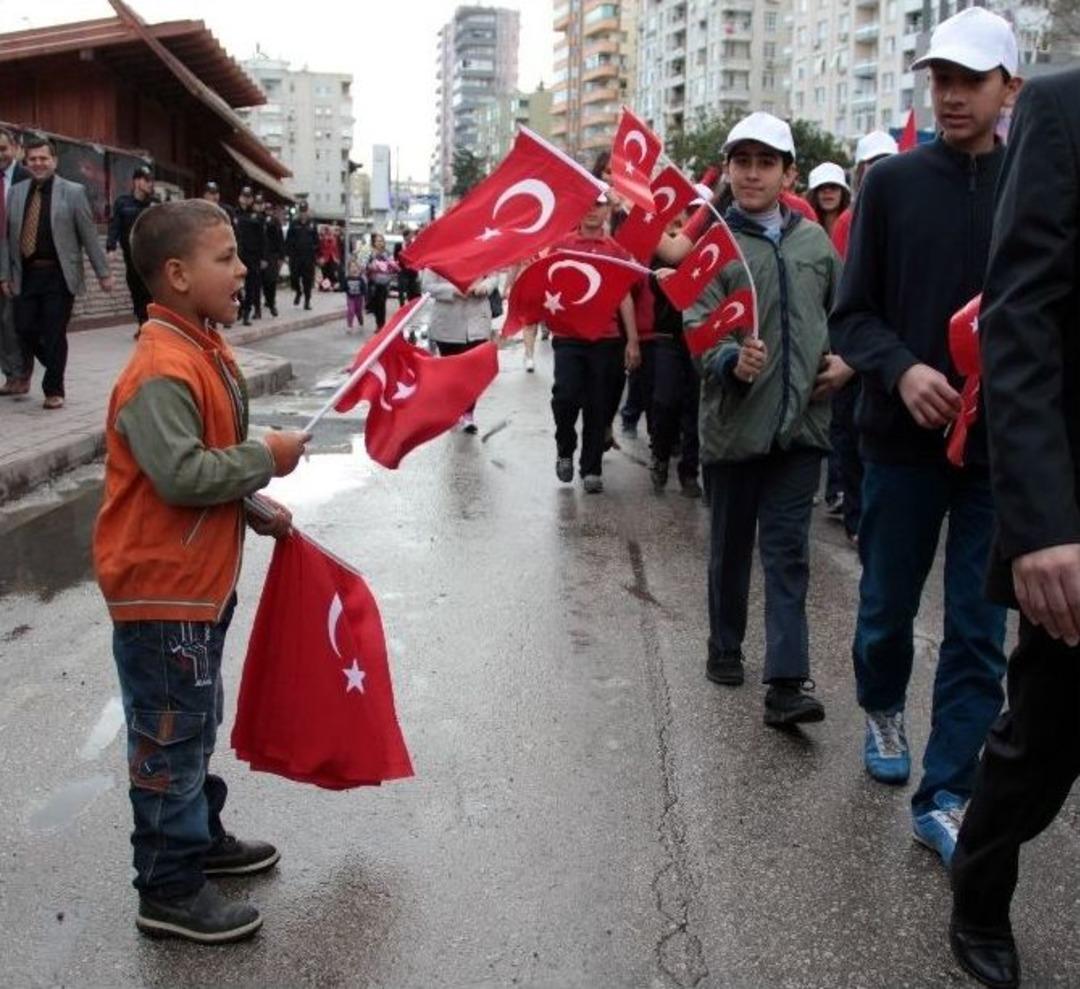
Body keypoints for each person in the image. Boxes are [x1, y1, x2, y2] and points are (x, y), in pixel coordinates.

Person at [830, 7, 1021, 866]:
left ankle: (945, 792)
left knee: (981, 633)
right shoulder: (895, 185)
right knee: (887, 613)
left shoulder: (1039, 183)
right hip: (900, 447)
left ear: (1008, 88)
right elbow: (853, 315)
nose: (949, 96)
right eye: (939, 80)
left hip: (1000, 456)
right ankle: (880, 703)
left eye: (969, 80)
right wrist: (903, 369)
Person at [92, 198, 310, 943]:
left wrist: (252, 502)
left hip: (195, 584)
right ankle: (168, 886)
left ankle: (198, 835)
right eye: (226, 257)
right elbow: (181, 473)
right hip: (161, 590)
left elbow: (203, 457)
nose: (244, 267)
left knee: (194, 719)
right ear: (178, 274)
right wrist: (266, 457)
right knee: (168, 736)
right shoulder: (161, 363)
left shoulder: (199, 344)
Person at [947, 67, 1080, 989]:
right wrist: (1040, 525)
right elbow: (1019, 319)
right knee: (1044, 743)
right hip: (1072, 525)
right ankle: (981, 886)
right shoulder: (1063, 108)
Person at [689, 111, 847, 726]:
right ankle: (725, 644)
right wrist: (730, 358)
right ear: (728, 170)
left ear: (789, 173)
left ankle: (786, 681)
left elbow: (845, 312)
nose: (752, 174)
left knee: (787, 554)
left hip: (801, 429)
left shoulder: (815, 244)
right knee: (730, 548)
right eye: (742, 162)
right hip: (735, 427)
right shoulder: (714, 244)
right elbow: (698, 323)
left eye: (765, 163)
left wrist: (846, 363)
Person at [0, 134, 113, 409]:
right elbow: (6, 238)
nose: (38, 163)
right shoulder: (16, 192)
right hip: (25, 274)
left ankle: (54, 388)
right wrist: (4, 274)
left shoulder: (73, 192)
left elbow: (88, 235)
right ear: (26, 162)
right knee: (23, 328)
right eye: (33, 159)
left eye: (43, 158)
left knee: (53, 331)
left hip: (58, 275)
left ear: (54, 161)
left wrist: (103, 273)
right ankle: (54, 362)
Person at [549, 193, 641, 494]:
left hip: (606, 339)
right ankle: (565, 448)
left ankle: (591, 468)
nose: (592, 209)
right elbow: (546, 282)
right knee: (565, 396)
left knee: (597, 404)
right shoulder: (562, 245)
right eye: (587, 202)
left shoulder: (615, 250)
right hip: (569, 337)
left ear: (607, 210)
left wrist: (633, 341)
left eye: (599, 204)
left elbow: (624, 295)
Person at [806, 162, 853, 529]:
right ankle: (822, 483)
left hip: (848, 322)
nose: (828, 193)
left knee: (844, 415)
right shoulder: (806, 227)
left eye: (833, 187)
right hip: (817, 322)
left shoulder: (854, 222)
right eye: (822, 188)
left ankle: (838, 488)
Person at [646, 213, 700, 498]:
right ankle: (660, 456)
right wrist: (665, 276)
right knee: (665, 401)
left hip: (699, 338)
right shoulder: (664, 250)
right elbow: (653, 282)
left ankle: (690, 471)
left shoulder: (710, 247)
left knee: (695, 403)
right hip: (668, 336)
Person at [421, 267, 495, 434]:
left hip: (477, 321)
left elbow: (493, 274)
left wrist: (485, 286)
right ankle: (454, 408)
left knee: (472, 373)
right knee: (452, 374)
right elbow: (427, 286)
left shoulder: (482, 247)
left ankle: (468, 413)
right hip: (448, 322)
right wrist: (453, 290)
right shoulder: (437, 255)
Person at [0, 126, 31, 395]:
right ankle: (11, 372)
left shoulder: (28, 179)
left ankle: (19, 372)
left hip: (15, 259)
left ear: (14, 149)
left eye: (2, 149)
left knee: (10, 319)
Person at [107, 164, 156, 326]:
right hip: (131, 255)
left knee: (149, 289)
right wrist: (111, 247)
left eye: (151, 181)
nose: (150, 184)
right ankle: (142, 320)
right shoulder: (123, 203)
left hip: (150, 256)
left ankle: (148, 321)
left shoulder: (154, 205)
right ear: (137, 182)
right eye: (146, 180)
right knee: (135, 288)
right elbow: (115, 226)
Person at [233, 186, 266, 325]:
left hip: (253, 256)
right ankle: (238, 309)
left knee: (251, 286)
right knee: (234, 285)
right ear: (240, 197)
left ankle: (247, 313)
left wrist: (263, 257)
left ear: (252, 199)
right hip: (237, 255)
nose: (246, 199)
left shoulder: (257, 216)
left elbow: (263, 238)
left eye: (249, 197)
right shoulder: (234, 214)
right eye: (244, 196)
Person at [285, 201, 318, 309]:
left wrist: (315, 252)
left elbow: (316, 239)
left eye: (305, 211)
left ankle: (307, 301)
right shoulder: (294, 223)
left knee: (307, 280)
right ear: (299, 212)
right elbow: (289, 239)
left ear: (307, 211)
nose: (303, 213)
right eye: (301, 211)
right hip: (296, 256)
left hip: (308, 257)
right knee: (294, 278)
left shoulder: (312, 223)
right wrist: (287, 254)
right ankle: (298, 291)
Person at [365, 233, 398, 330]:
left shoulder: (387, 253)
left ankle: (381, 325)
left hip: (384, 282)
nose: (380, 243)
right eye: (377, 241)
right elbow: (365, 265)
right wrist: (370, 266)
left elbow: (392, 266)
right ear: (374, 243)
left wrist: (387, 265)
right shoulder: (370, 252)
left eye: (381, 241)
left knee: (381, 303)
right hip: (373, 281)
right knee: (373, 304)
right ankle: (378, 322)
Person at [258, 197, 284, 318]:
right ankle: (261, 304)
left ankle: (271, 302)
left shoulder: (275, 222)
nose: (268, 211)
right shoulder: (259, 219)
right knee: (261, 281)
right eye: (266, 209)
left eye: (270, 209)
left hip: (272, 254)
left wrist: (281, 256)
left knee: (271, 280)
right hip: (260, 253)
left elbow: (279, 240)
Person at [394, 228, 421, 303]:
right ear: (405, 236)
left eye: (412, 235)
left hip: (412, 271)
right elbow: (395, 257)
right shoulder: (398, 245)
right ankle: (401, 305)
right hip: (402, 271)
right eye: (410, 235)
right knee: (401, 290)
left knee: (412, 290)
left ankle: (411, 304)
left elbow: (417, 256)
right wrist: (399, 265)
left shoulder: (414, 244)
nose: (412, 236)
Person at [343, 259, 366, 333]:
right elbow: (344, 287)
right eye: (351, 267)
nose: (353, 268)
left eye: (355, 266)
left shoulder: (360, 279)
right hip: (350, 298)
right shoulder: (347, 279)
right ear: (349, 269)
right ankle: (349, 326)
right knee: (351, 311)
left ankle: (361, 323)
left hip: (359, 298)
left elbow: (364, 288)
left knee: (359, 312)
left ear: (358, 268)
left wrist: (365, 296)